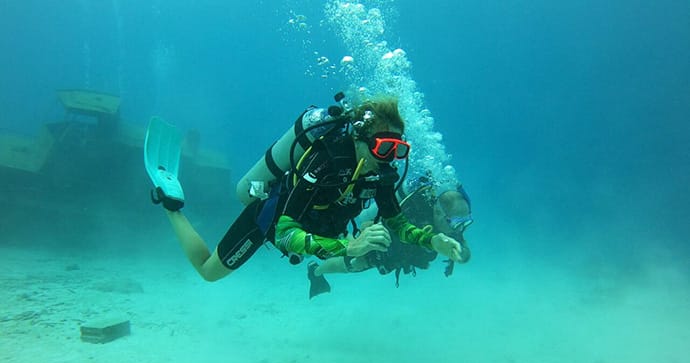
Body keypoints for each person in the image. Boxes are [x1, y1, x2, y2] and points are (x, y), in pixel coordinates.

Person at [148, 94, 464, 282]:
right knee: (208, 272)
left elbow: (398, 223)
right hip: (272, 217)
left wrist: (432, 239)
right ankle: (171, 205)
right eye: (384, 148)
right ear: (359, 138)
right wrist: (348, 248)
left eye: (398, 150)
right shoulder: (327, 163)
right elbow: (286, 232)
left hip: (315, 230)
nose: (389, 159)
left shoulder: (380, 174)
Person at [306, 173, 473, 298]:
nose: (459, 228)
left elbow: (463, 250)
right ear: (437, 211)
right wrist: (364, 240)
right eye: (456, 222)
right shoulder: (412, 209)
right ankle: (316, 271)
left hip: (404, 251)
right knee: (354, 264)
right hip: (384, 242)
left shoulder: (451, 226)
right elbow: (372, 223)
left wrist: (459, 254)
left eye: (465, 222)